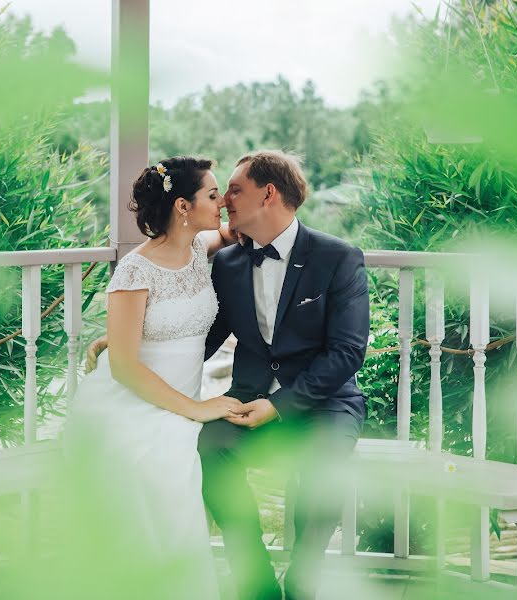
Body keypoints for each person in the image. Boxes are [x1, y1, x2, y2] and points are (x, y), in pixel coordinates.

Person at [88, 150, 370, 600]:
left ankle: (303, 579)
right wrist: (127, 344)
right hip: (246, 398)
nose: (224, 201)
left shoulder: (337, 258)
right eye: (219, 193)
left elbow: (347, 353)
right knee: (209, 447)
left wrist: (278, 406)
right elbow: (200, 332)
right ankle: (254, 578)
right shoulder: (228, 263)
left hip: (325, 403)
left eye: (234, 190)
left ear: (269, 194)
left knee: (326, 463)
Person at [60, 156, 238, 599]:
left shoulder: (199, 248)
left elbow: (244, 228)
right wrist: (197, 409)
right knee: (159, 467)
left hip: (174, 401)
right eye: (214, 196)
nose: (223, 205)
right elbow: (123, 366)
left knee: (174, 461)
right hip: (129, 401)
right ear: (182, 206)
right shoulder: (135, 270)